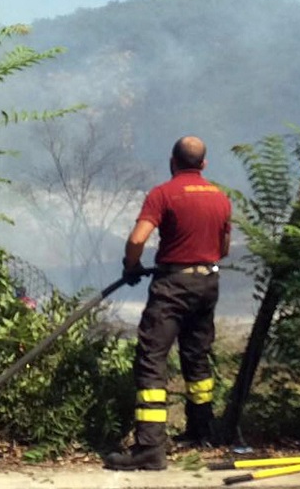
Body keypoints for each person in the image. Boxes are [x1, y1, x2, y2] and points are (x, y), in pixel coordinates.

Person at [104, 136, 232, 471]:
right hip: (208, 284)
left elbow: (137, 239)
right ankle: (202, 431)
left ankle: (149, 447)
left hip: (173, 286)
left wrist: (131, 266)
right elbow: (224, 248)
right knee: (197, 357)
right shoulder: (220, 197)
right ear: (203, 164)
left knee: (151, 359)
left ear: (172, 161)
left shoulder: (163, 194)